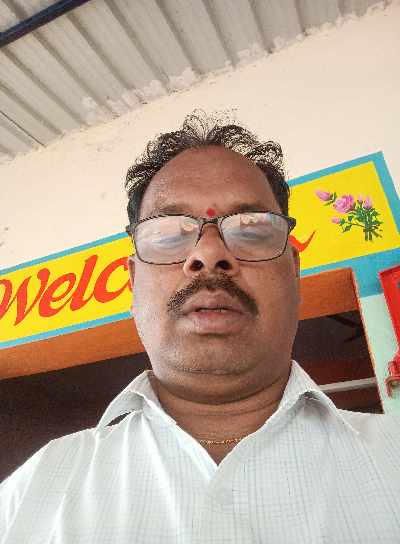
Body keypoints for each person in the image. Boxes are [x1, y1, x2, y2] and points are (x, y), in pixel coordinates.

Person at [1, 111, 399, 543]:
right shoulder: (32, 493)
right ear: (133, 283)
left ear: (293, 272)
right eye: (169, 233)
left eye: (251, 228)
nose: (208, 254)